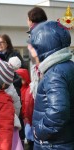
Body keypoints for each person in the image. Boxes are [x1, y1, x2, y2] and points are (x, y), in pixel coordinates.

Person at [27, 20, 74, 149]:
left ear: (43, 45)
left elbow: (59, 110)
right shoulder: (68, 66)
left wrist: (39, 131)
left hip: (53, 144)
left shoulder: (54, 73)